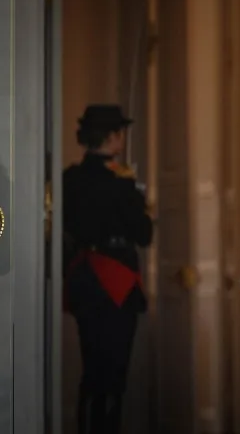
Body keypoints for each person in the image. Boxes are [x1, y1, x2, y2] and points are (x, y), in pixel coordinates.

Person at [63, 104, 153, 434]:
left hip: (85, 277)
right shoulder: (121, 181)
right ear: (114, 137)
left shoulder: (69, 178)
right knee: (114, 373)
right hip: (116, 280)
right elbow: (144, 234)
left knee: (92, 369)